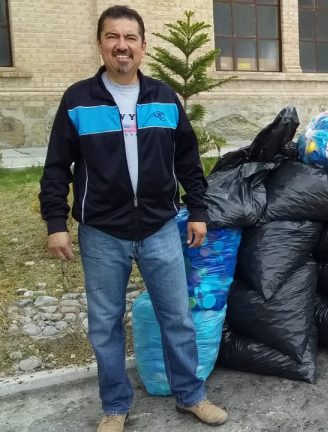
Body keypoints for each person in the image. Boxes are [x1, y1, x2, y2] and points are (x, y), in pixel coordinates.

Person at [38, 5, 227, 431]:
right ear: (101, 44)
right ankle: (115, 406)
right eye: (112, 37)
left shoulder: (164, 98)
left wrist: (197, 210)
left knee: (177, 317)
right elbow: (56, 167)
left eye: (130, 38)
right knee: (105, 325)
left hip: (160, 226)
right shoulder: (78, 100)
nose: (121, 46)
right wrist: (55, 223)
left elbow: (187, 159)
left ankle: (190, 395)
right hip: (102, 232)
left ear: (143, 46)